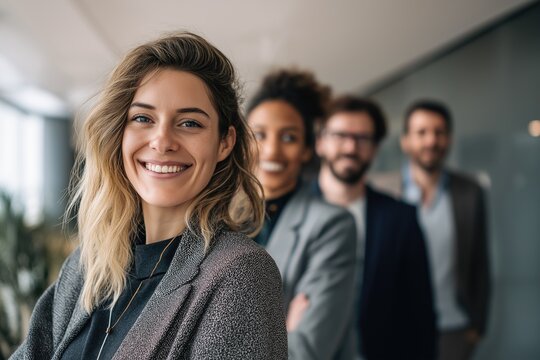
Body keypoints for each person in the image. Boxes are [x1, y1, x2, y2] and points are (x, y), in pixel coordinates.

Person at [11, 32, 287, 359]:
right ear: (120, 132)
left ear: (225, 142)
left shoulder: (240, 273)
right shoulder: (87, 266)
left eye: (189, 123)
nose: (162, 140)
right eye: (143, 118)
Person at [313, 95, 437, 360]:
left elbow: (420, 314)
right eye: (339, 135)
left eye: (362, 138)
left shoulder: (401, 218)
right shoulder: (287, 210)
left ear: (375, 149)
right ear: (320, 142)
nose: (350, 147)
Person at [246, 68, 357, 360]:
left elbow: (306, 350)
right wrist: (279, 332)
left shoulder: (332, 225)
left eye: (289, 138)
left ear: (308, 149)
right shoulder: (214, 216)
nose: (271, 151)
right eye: (259, 134)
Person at [374, 100, 491, 360]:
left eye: (439, 132)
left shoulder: (470, 192)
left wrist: (478, 325)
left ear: (448, 139)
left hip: (453, 327)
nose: (431, 140)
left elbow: (480, 262)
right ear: (405, 141)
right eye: (422, 132)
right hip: (394, 326)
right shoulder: (381, 190)